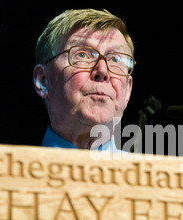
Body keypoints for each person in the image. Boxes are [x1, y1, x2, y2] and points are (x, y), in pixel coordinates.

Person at [33, 9, 135, 152]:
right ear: (43, 81)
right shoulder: (5, 170)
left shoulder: (153, 174)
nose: (102, 71)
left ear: (127, 90)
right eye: (82, 55)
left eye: (115, 59)